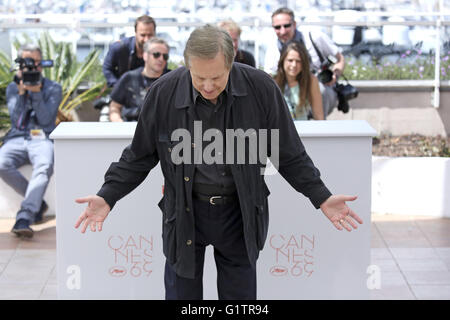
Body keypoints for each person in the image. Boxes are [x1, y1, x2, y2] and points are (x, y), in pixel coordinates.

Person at [74, 25, 363, 300]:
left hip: (240, 213)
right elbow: (138, 156)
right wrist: (108, 195)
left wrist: (321, 196)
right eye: (199, 78)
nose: (208, 86)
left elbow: (288, 153)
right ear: (187, 64)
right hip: (184, 213)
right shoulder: (163, 93)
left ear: (231, 62)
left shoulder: (261, 89)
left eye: (217, 77)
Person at [0, 44, 62, 238]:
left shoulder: (53, 88)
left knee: (44, 165)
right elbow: (17, 120)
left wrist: (35, 92)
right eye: (27, 62)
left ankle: (25, 216)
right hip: (18, 138)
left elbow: (46, 120)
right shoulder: (13, 87)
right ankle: (38, 203)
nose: (32, 66)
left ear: (42, 63)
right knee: (1, 163)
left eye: (35, 61)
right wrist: (21, 93)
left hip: (42, 138)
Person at [264, 7, 345, 118]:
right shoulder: (272, 50)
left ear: (294, 24)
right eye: (277, 27)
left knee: (318, 88)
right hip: (291, 94)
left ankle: (320, 127)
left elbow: (340, 59)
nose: (282, 31)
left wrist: (335, 75)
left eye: (286, 25)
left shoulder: (314, 37)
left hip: (322, 89)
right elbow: (269, 80)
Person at [109, 37, 171, 122]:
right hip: (132, 128)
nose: (161, 59)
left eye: (165, 56)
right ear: (145, 55)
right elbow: (114, 107)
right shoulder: (129, 78)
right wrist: (121, 125)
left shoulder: (173, 79)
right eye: (156, 55)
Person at [274, 41, 324, 120]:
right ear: (282, 60)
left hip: (302, 130)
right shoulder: (273, 80)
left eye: (298, 61)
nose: (294, 65)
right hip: (279, 130)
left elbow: (318, 115)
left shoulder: (311, 80)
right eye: (290, 60)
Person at [102, 15, 156, 88]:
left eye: (150, 35)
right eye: (143, 35)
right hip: (122, 93)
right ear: (135, 32)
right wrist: (118, 87)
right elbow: (107, 68)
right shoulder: (119, 47)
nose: (146, 39)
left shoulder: (159, 51)